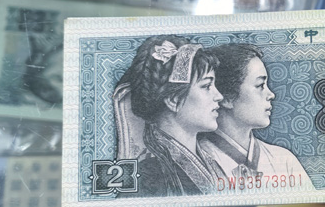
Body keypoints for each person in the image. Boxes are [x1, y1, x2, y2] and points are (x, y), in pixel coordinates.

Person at [114, 35, 224, 196]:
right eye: (206, 86)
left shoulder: (211, 162)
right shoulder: (147, 177)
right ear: (173, 100)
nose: (219, 96)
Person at [200, 43, 311, 185]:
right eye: (260, 86)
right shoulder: (198, 161)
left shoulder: (284, 161)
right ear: (226, 98)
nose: (271, 95)